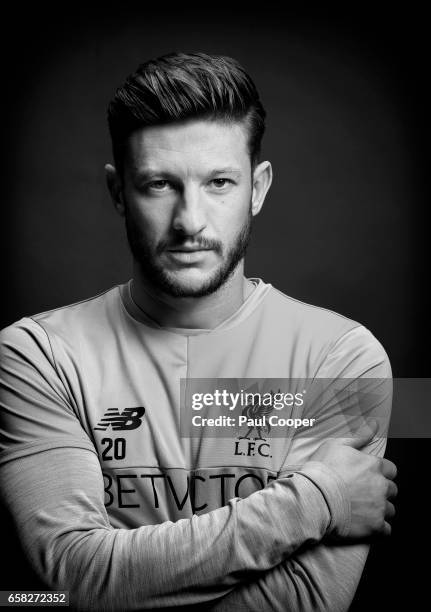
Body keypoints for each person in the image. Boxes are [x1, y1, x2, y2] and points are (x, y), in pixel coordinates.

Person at [0, 52, 397, 611]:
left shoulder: (344, 359)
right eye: (160, 184)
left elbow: (305, 603)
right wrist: (317, 499)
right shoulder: (35, 354)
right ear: (118, 193)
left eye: (218, 182)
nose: (190, 221)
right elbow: (67, 582)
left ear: (257, 188)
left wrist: (110, 588)